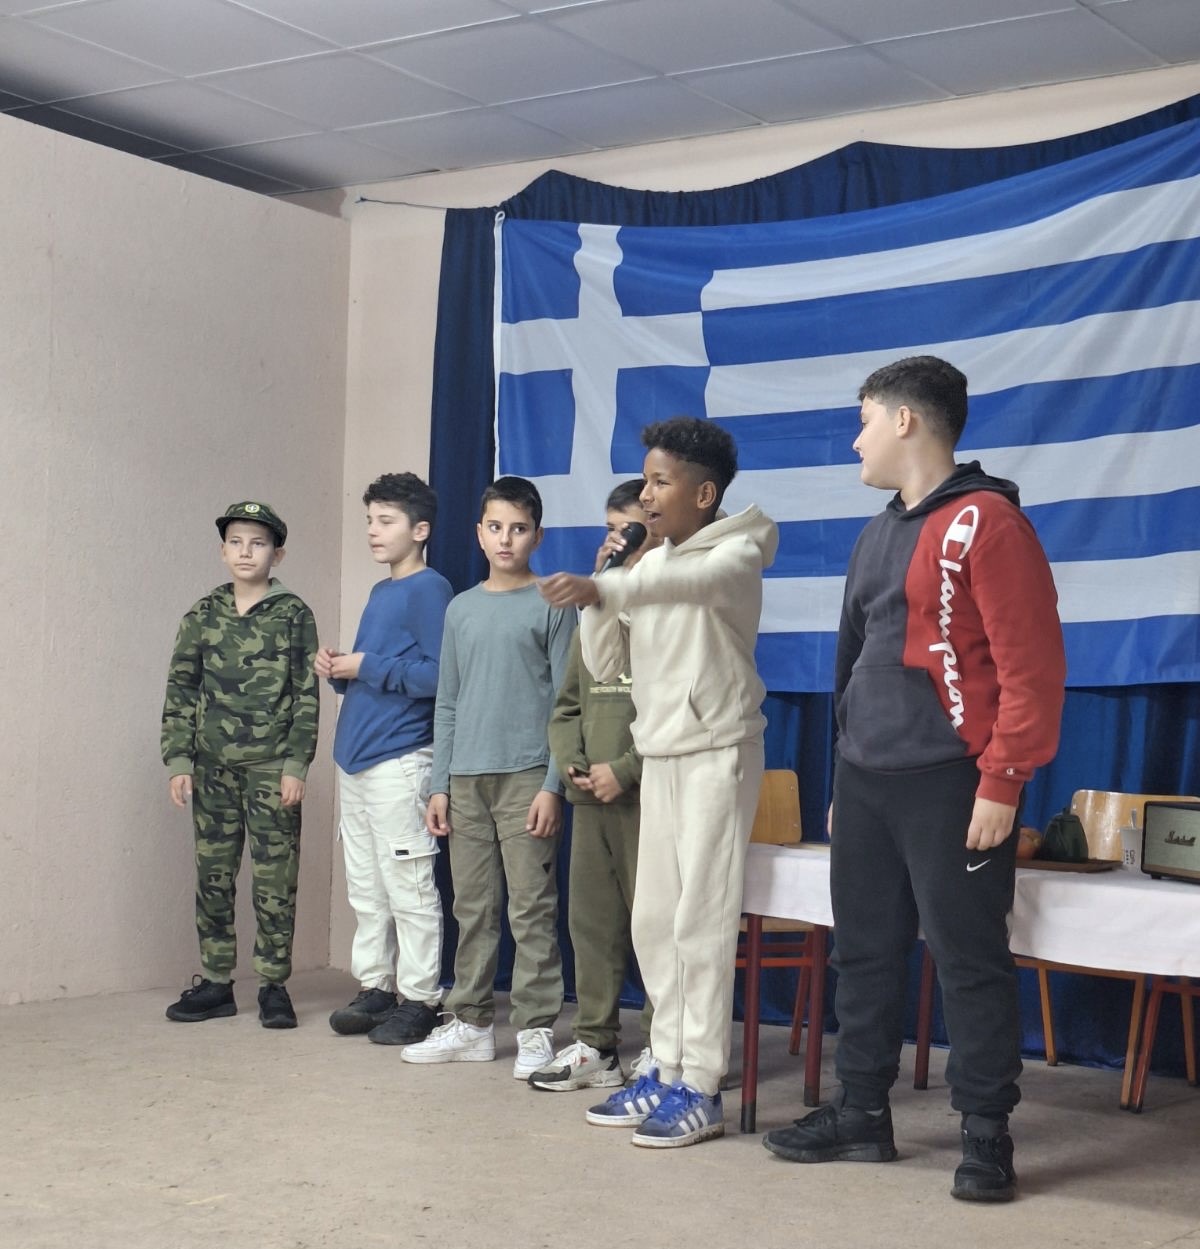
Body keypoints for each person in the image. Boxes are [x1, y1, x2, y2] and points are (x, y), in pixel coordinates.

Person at [761, 356, 1066, 1202]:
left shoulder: (987, 521)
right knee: (861, 953)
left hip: (951, 780)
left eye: (863, 420)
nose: (854, 440)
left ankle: (986, 1133)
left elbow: (1032, 664)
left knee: (969, 957)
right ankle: (862, 1111)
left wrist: (1003, 779)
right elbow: (851, 662)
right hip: (868, 778)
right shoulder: (876, 534)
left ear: (905, 420)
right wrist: (845, 769)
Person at [539, 417, 778, 1148]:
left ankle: (700, 1084)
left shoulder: (740, 547)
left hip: (718, 751)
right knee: (654, 920)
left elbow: (693, 581)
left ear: (703, 493)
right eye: (643, 481)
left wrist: (615, 582)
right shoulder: (647, 564)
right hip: (663, 750)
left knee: (700, 922)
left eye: (660, 482)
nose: (645, 496)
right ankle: (665, 1066)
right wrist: (598, 597)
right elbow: (607, 662)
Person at [400, 476, 576, 1078]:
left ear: (537, 536)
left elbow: (566, 702)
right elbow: (447, 700)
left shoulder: (553, 604)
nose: (506, 539)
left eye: (519, 529)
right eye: (496, 527)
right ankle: (472, 1023)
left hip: (527, 777)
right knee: (472, 908)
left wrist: (553, 785)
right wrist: (440, 783)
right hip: (466, 780)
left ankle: (535, 1028)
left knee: (531, 909)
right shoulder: (461, 609)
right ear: (478, 534)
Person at [161, 501, 319, 1030]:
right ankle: (216, 982)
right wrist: (179, 759)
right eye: (236, 542)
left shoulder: (293, 614)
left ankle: (274, 985)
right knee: (214, 876)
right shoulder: (203, 614)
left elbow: (306, 693)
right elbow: (181, 688)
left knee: (275, 879)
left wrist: (297, 763)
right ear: (222, 551)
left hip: (272, 767)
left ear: (278, 554)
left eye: (258, 543)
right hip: (213, 769)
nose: (246, 552)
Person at [529, 480, 658, 1093]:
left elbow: (678, 711)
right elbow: (568, 704)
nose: (616, 540)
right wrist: (573, 761)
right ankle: (596, 1045)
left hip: (647, 799)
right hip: (590, 798)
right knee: (592, 925)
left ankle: (663, 1046)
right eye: (611, 528)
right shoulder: (593, 610)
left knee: (654, 926)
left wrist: (625, 768)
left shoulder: (665, 608)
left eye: (629, 529)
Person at [316, 473, 453, 1046]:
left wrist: (366, 666)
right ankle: (375, 987)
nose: (373, 531)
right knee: (367, 885)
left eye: (386, 520)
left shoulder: (430, 589)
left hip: (400, 759)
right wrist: (340, 670)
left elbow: (442, 676)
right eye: (370, 520)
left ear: (420, 530)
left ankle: (421, 998)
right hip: (357, 760)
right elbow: (383, 668)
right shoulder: (380, 592)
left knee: (408, 884)